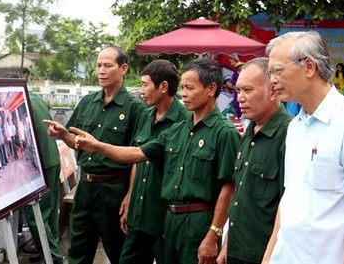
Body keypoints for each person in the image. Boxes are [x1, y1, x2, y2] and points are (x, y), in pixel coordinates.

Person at [66, 58, 240, 264]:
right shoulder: (178, 129)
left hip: (198, 222)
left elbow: (229, 186)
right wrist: (97, 146)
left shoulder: (225, 133)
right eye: (183, 87)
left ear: (211, 89)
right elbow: (137, 154)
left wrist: (213, 235)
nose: (183, 93)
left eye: (190, 88)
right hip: (169, 218)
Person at [262, 31, 344, 263]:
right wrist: (269, 256)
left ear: (309, 67)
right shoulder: (295, 127)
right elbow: (290, 197)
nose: (272, 80)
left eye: (277, 70)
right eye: (270, 73)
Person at [44, 45, 146, 264]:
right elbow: (77, 142)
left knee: (119, 252)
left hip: (114, 190)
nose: (101, 70)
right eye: (98, 65)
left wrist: (130, 196)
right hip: (85, 188)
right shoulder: (87, 103)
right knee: (77, 251)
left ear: (124, 68)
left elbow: (139, 157)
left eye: (108, 65)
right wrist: (63, 134)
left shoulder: (135, 108)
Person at [216, 57, 293, 264]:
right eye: (238, 90)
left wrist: (270, 255)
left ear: (274, 91)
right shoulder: (249, 131)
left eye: (248, 90)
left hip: (264, 255)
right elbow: (240, 198)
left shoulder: (289, 134)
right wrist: (226, 244)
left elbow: (289, 207)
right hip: (236, 250)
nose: (240, 98)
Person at [117, 59, 188, 264]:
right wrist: (130, 196)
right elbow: (137, 157)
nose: (141, 90)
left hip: (163, 216)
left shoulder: (185, 120)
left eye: (145, 84)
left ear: (163, 87)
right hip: (139, 213)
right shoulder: (146, 115)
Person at [22, 92, 64, 264]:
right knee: (51, 211)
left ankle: (53, 257)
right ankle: (46, 251)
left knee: (34, 213)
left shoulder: (23, 103)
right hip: (52, 159)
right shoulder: (35, 98)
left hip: (41, 164)